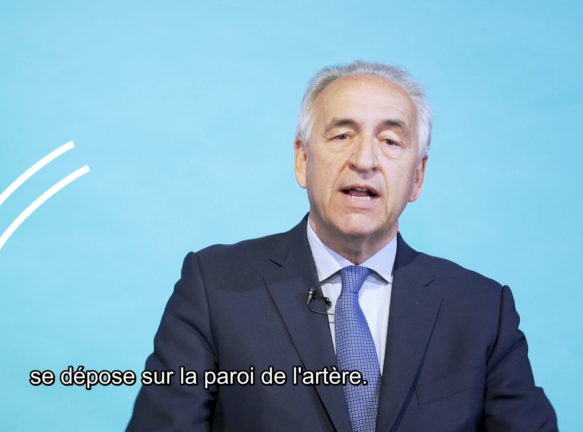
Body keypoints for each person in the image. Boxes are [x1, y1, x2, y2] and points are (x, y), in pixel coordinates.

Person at [126, 61, 557, 431]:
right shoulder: (215, 288)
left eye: (390, 141)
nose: (365, 160)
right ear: (302, 159)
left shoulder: (482, 310)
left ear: (418, 176)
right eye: (342, 136)